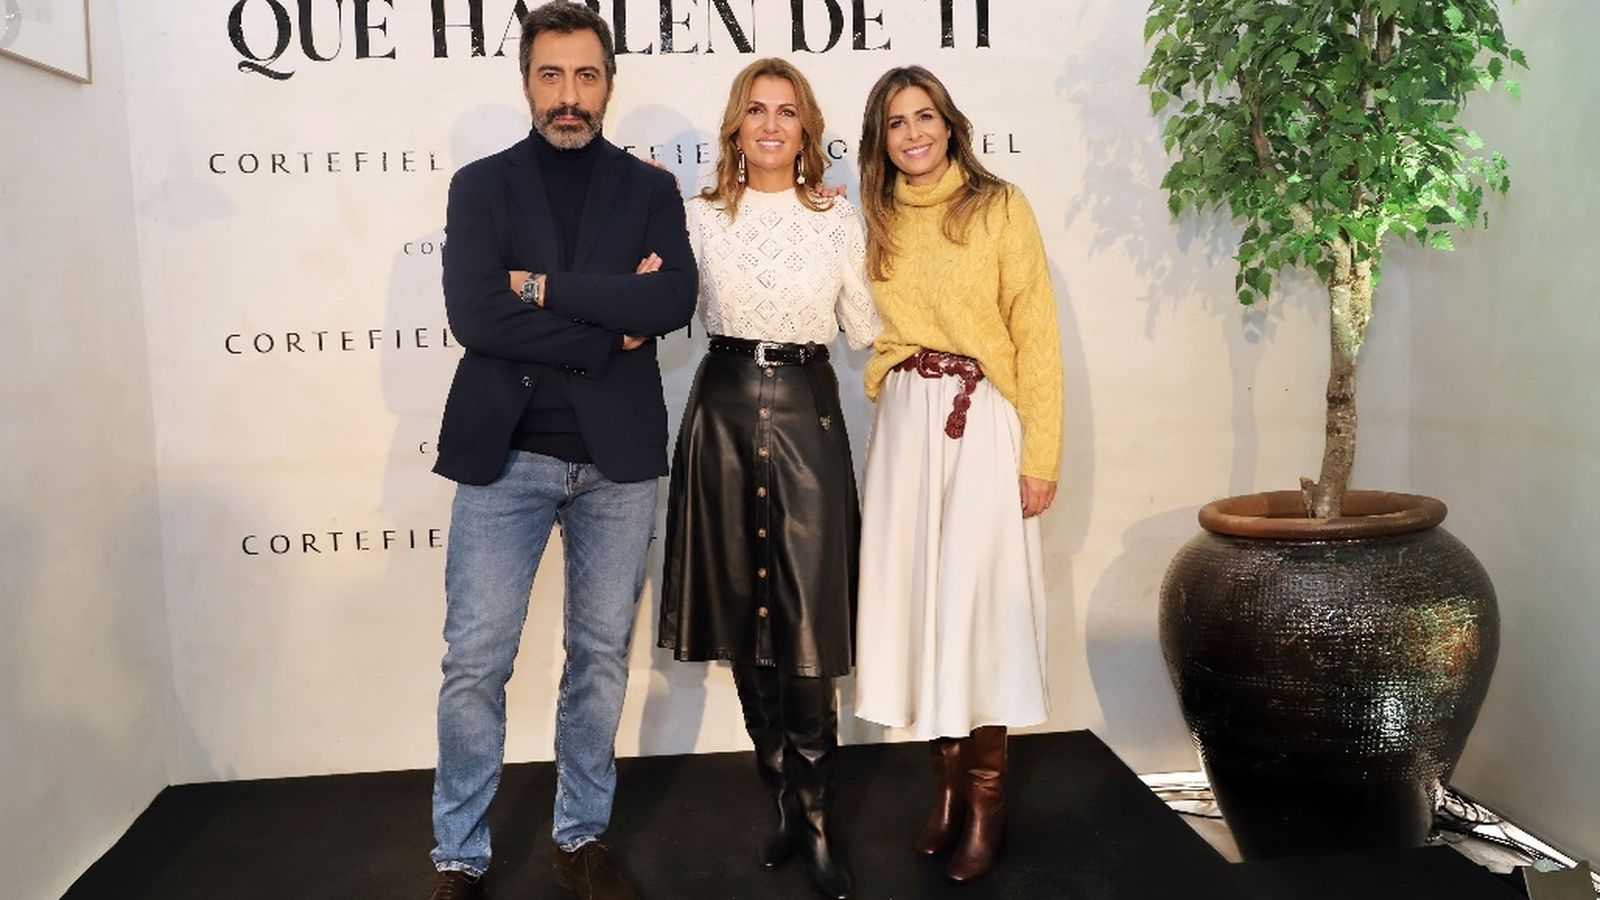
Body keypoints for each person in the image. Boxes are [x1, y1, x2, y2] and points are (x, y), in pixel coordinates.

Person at [427, 4, 697, 899]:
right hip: (504, 457)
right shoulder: (480, 187)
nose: (569, 95)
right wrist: (606, 325)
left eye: (587, 75)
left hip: (617, 463)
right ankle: (459, 854)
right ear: (527, 82)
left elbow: (668, 304)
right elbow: (477, 316)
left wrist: (540, 290)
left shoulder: (650, 191)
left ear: (609, 83)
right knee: (476, 663)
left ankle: (580, 837)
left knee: (599, 659)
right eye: (552, 75)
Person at [657, 58, 878, 900]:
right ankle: (782, 798)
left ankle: (818, 824)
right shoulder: (699, 218)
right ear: (736, 126)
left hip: (807, 420)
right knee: (746, 616)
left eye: (788, 111)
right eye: (757, 110)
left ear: (807, 128)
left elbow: (868, 327)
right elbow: (658, 311)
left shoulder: (837, 219)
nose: (773, 124)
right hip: (720, 416)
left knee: (805, 623)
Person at [851, 65, 1063, 885]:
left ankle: (986, 800)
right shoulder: (873, 215)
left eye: (925, 117)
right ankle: (943, 785)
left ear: (949, 123)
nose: (913, 134)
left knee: (979, 609)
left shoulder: (999, 205)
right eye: (896, 122)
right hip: (908, 424)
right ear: (881, 139)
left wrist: (1040, 456)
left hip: (982, 423)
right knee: (923, 604)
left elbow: (1035, 330)